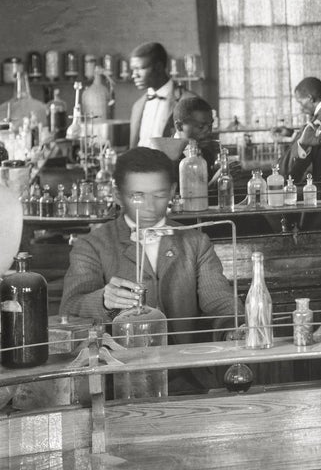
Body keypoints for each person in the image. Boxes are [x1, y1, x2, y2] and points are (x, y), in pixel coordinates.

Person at [60, 147, 237, 388]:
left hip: (188, 378)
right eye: (138, 196)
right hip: (119, 381)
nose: (150, 206)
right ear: (117, 195)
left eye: (159, 195)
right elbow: (70, 309)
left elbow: (219, 301)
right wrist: (104, 301)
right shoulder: (92, 245)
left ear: (174, 191)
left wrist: (235, 328)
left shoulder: (195, 242)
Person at [128, 41, 180, 148]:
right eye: (133, 70)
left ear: (159, 67)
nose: (134, 75)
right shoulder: (137, 106)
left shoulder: (186, 100)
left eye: (140, 68)